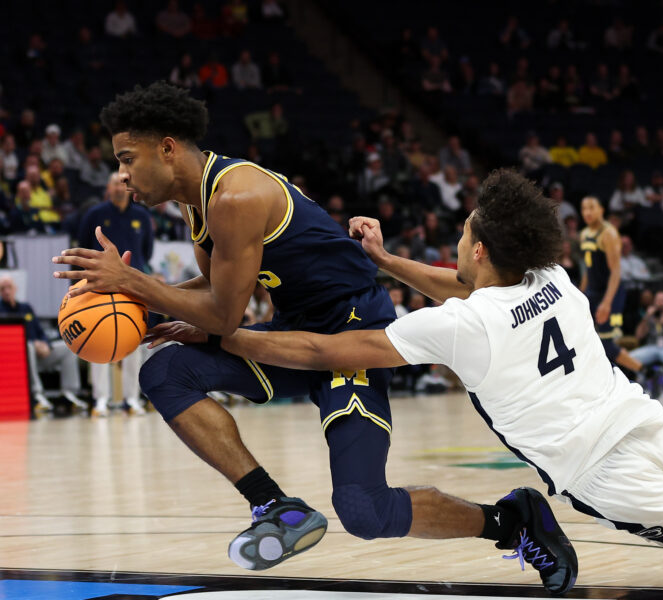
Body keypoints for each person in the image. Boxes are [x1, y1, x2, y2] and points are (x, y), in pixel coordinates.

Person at [150, 169, 663, 584]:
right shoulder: (553, 279)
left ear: (478, 251)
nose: (460, 247)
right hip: (637, 415)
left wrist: (236, 334)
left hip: (600, 469)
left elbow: (327, 353)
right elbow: (459, 288)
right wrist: (389, 260)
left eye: (463, 237)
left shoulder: (463, 323)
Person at [51, 82, 576, 595]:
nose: (121, 176)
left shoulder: (236, 196)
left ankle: (513, 521)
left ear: (167, 149)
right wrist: (139, 298)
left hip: (352, 336)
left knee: (365, 510)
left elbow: (224, 314)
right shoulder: (199, 201)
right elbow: (220, 290)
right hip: (293, 331)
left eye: (126, 158)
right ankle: (275, 507)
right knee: (166, 370)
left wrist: (135, 285)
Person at [78, 172, 154, 416]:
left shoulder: (142, 216)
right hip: (98, 288)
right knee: (96, 340)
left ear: (130, 187)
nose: (120, 188)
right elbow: (82, 248)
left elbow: (147, 252)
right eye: (115, 183)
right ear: (107, 188)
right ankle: (101, 399)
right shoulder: (95, 215)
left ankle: (132, 399)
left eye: (124, 183)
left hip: (132, 288)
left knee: (133, 341)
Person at [0, 276, 86, 412]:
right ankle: (36, 394)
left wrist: (46, 344)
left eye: (9, 287)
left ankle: (69, 393)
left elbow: (40, 331)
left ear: (15, 289)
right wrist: (34, 344)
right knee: (27, 346)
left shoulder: (26, 308)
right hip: (18, 360)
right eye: (2, 289)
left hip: (39, 354)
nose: (6, 291)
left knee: (66, 347)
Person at [579, 196, 643, 374]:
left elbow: (616, 271)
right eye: (584, 208)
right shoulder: (584, 234)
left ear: (601, 210)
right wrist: (579, 295)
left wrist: (607, 303)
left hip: (611, 293)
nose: (588, 212)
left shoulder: (609, 233)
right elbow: (588, 268)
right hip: (592, 292)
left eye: (592, 207)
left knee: (606, 342)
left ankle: (644, 371)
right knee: (585, 337)